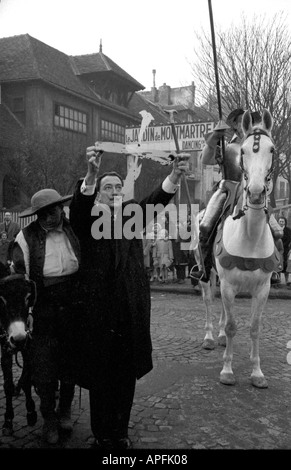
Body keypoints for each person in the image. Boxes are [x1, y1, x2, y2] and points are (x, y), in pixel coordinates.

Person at [69, 145, 189, 450]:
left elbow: (156, 200)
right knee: (100, 377)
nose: (113, 192)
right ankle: (101, 434)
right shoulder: (87, 221)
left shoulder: (130, 218)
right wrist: (92, 174)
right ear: (98, 193)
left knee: (124, 377)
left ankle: (120, 433)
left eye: (118, 187)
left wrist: (174, 174)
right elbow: (80, 209)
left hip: (128, 314)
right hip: (97, 315)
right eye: (107, 188)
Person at [11, 189, 81, 445]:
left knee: (70, 362)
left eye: (53, 211)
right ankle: (49, 418)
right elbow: (20, 279)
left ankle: (65, 410)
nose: (49, 217)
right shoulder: (25, 237)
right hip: (43, 308)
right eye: (43, 213)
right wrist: (26, 312)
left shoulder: (74, 230)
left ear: (61, 209)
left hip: (72, 304)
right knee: (44, 367)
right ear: (36, 215)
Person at [191, 109, 264, 284]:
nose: (243, 125)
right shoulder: (227, 147)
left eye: (247, 121)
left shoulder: (259, 146)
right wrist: (215, 138)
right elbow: (205, 160)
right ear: (235, 125)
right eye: (239, 122)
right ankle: (204, 268)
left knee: (275, 229)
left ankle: (272, 266)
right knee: (206, 225)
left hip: (251, 192)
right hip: (228, 189)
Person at [278, 216, 291, 284]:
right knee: (278, 264)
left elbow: (289, 239)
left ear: (285, 222)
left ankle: (286, 280)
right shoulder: (276, 230)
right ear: (278, 222)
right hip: (278, 249)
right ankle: (278, 279)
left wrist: (283, 246)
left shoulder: (288, 230)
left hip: (285, 249)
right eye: (280, 221)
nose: (281, 223)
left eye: (282, 221)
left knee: (285, 264)